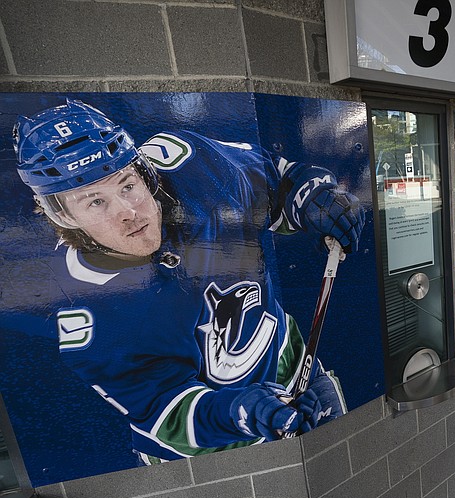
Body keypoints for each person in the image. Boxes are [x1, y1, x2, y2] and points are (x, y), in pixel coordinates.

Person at [13, 99, 365, 464]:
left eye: (127, 185)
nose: (128, 212)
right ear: (63, 217)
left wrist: (312, 199)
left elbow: (276, 181)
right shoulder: (83, 313)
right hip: (216, 455)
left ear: (142, 171)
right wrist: (238, 412)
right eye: (95, 203)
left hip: (300, 381)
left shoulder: (194, 167)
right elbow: (168, 417)